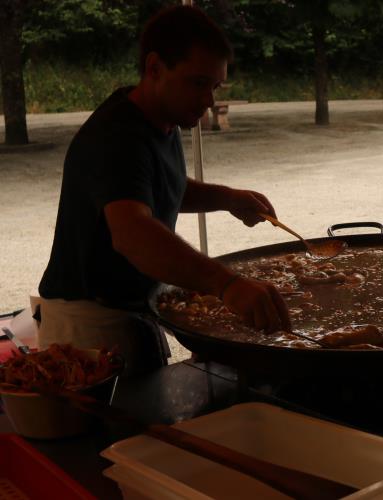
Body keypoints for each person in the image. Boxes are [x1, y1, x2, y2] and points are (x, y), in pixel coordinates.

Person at [36, 5, 291, 377]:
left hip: (128, 314)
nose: (209, 100)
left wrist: (227, 198)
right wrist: (227, 283)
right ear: (155, 68)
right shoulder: (117, 136)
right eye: (198, 83)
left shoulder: (160, 120)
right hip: (88, 328)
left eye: (215, 86)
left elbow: (157, 188)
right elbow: (133, 234)